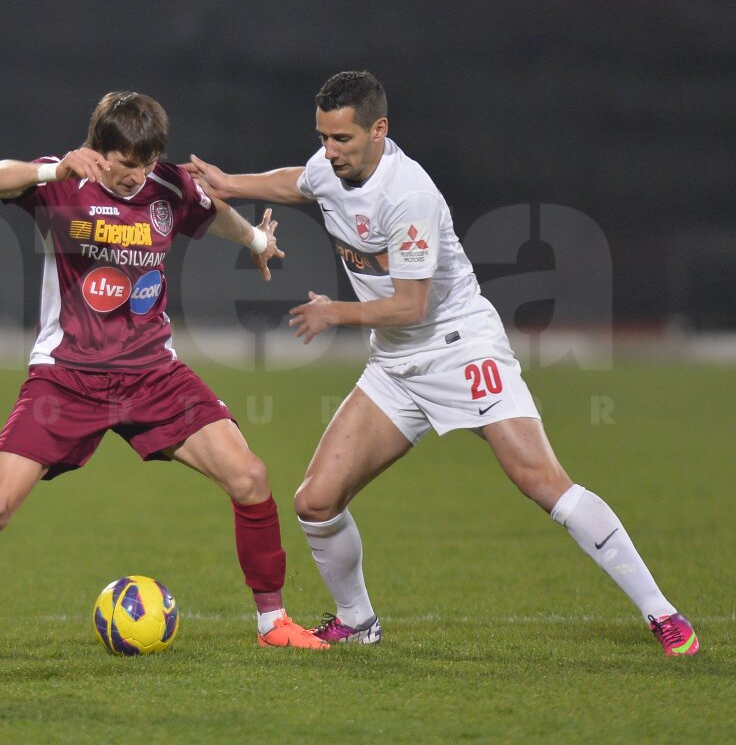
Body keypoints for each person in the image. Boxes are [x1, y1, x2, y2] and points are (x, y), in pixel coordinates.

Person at [187, 70, 698, 656]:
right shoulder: (334, 165)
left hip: (460, 348)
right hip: (397, 365)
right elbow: (301, 183)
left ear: (379, 130)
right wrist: (231, 182)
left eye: (342, 140)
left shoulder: (410, 196)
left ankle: (662, 612)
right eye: (323, 137)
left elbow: (410, 306)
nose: (330, 151)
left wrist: (334, 314)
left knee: (541, 481)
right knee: (315, 501)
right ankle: (357, 621)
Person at [0, 90, 327, 651]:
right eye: (122, 162)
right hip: (67, 375)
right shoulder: (66, 181)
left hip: (151, 374)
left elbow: (214, 213)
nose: (131, 176)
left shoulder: (166, 185)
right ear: (99, 149)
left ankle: (273, 624)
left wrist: (258, 240)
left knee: (251, 477)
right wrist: (52, 166)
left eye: (142, 163)